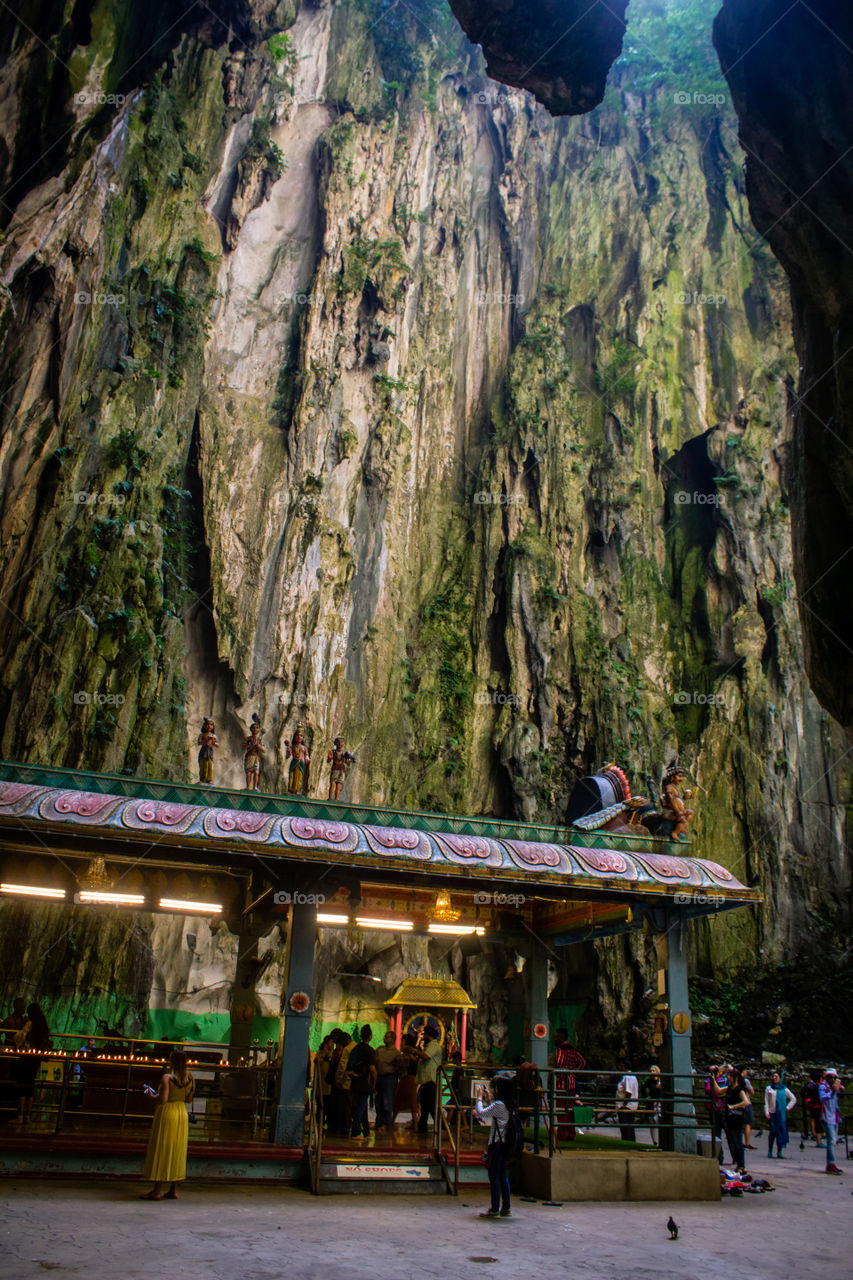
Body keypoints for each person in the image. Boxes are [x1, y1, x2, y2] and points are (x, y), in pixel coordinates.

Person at [141, 1049, 194, 1199]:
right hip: (181, 1113)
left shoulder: (167, 1078)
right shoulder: (190, 1078)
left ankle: (156, 1190)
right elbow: (189, 1099)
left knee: (162, 1147)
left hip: (168, 1112)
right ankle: (173, 1189)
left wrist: (150, 1094)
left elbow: (162, 1099)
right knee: (177, 1148)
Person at [475, 1076, 515, 1219]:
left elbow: (481, 1113)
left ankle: (494, 1208)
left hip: (497, 1144)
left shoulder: (499, 1105)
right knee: (502, 1175)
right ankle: (506, 1207)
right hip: (505, 1144)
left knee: (494, 1176)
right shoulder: (509, 1104)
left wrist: (479, 1098)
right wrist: (489, 1099)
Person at [13, 1003, 51, 1123]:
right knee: (30, 1086)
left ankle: (19, 1116)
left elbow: (19, 1037)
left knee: (22, 1085)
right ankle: (28, 1116)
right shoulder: (44, 1027)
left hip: (27, 1057)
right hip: (37, 1058)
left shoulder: (30, 1024)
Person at [554, 1028, 585, 1140]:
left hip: (561, 1083)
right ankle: (571, 1133)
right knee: (570, 1109)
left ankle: (562, 1134)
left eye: (557, 1036)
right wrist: (574, 1072)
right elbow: (582, 1062)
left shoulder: (560, 1050)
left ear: (561, 1037)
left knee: (561, 1109)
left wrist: (558, 1074)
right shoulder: (574, 1050)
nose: (555, 1038)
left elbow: (559, 1063)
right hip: (571, 1083)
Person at [347, 1026, 376, 1140]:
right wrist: (374, 1083)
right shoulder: (370, 1050)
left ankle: (366, 1131)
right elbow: (372, 1069)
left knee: (362, 1107)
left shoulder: (356, 1048)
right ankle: (355, 1132)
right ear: (370, 1036)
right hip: (365, 1082)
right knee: (360, 1107)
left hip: (354, 1080)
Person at [373, 1031, 405, 1134]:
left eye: (387, 1037)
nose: (385, 1038)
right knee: (378, 1102)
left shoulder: (396, 1053)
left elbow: (400, 1068)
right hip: (379, 1077)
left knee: (387, 1102)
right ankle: (378, 1123)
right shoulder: (379, 1050)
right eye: (385, 1036)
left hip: (389, 1078)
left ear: (393, 1039)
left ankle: (386, 1124)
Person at [415, 1025, 443, 1134]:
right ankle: (422, 1127)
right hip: (426, 1080)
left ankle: (441, 1126)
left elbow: (426, 1056)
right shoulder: (429, 1046)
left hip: (431, 1080)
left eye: (424, 1034)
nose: (423, 1036)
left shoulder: (433, 1046)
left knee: (430, 1105)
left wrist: (415, 1051)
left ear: (429, 1035)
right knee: (425, 1106)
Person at [723, 1067, 751, 1172]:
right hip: (730, 1117)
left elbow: (746, 1102)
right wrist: (712, 1077)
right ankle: (739, 1164)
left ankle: (741, 1165)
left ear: (734, 1077)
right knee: (734, 1141)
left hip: (737, 1118)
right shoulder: (729, 1088)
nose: (728, 1077)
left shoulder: (739, 1090)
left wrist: (734, 1106)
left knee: (738, 1141)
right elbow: (719, 1090)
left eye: (730, 1076)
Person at [764, 1069, 796, 1158]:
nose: (774, 1078)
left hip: (780, 1113)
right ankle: (770, 1149)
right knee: (773, 1131)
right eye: (773, 1076)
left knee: (780, 1130)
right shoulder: (769, 1088)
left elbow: (793, 1099)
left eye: (776, 1077)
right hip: (771, 1112)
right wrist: (766, 1112)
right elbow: (766, 1101)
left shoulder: (784, 1089)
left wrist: (787, 1108)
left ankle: (779, 1150)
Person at [391, 1034, 420, 1131]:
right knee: (412, 1101)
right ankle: (415, 1123)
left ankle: (392, 1121)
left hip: (407, 1078)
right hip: (412, 1079)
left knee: (399, 1099)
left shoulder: (407, 1056)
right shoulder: (414, 1055)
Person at [819, 1068, 845, 1175]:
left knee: (833, 1141)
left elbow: (839, 1094)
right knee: (831, 1140)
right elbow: (822, 1098)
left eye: (834, 1078)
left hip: (834, 1116)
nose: (832, 1079)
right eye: (830, 1077)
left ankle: (831, 1164)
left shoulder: (833, 1085)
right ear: (826, 1077)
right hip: (826, 1115)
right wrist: (832, 1092)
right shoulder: (822, 1086)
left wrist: (840, 1089)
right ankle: (831, 1163)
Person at [616, 1060, 639, 1141]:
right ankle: (629, 1140)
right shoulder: (631, 1076)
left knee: (626, 1127)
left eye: (621, 1066)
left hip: (627, 1106)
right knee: (628, 1126)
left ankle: (627, 1140)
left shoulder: (627, 1076)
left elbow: (628, 1092)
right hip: (629, 1105)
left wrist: (623, 1105)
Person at [326, 737, 355, 801]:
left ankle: (336, 798)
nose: (340, 744)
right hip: (335, 769)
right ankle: (330, 797)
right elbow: (328, 761)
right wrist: (330, 758)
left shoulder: (345, 753)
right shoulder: (333, 752)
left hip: (342, 769)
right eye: (338, 742)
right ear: (335, 743)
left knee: (339, 784)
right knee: (333, 783)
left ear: (343, 743)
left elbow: (347, 762)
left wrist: (348, 762)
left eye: (341, 742)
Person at [285, 725, 310, 794]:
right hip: (294, 762)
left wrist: (307, 759)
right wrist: (288, 752)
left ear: (303, 738)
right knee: (292, 776)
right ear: (294, 737)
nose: (299, 737)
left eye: (301, 736)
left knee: (298, 777)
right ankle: (290, 789)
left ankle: (296, 790)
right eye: (297, 735)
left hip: (301, 763)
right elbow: (287, 756)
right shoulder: (292, 747)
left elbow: (306, 755)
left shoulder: (304, 748)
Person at [641, 1064, 662, 1146]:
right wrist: (645, 1098)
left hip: (659, 1103)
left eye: (654, 1071)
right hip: (651, 1102)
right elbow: (643, 1088)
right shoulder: (649, 1081)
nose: (652, 1072)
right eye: (651, 1071)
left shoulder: (660, 1080)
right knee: (652, 1122)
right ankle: (654, 1140)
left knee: (659, 1121)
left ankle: (660, 1140)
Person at [242, 714, 264, 791]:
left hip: (256, 757)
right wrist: (250, 745)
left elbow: (263, 749)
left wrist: (257, 745)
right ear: (251, 729)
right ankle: (248, 787)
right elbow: (244, 746)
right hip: (249, 756)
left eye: (257, 728)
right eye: (253, 728)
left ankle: (254, 787)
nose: (255, 729)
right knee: (248, 772)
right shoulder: (248, 738)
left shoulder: (259, 740)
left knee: (256, 772)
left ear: (258, 730)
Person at [803, 1068, 824, 1143]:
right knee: (818, 1120)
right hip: (817, 1105)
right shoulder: (819, 1086)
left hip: (811, 1104)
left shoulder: (810, 1085)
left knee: (812, 1119)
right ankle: (818, 1135)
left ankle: (813, 1132)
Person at [738, 1064, 756, 1149]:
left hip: (737, 1103)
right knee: (748, 1124)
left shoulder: (734, 1080)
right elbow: (752, 1092)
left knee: (739, 1124)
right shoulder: (746, 1081)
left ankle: (738, 1141)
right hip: (746, 1103)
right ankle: (747, 1143)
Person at [197, 718, 219, 784]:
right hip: (203, 751)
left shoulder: (213, 736)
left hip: (209, 752)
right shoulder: (202, 735)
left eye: (211, 725)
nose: (209, 726)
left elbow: (217, 744)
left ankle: (209, 779)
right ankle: (202, 778)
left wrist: (213, 742)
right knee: (203, 764)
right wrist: (205, 741)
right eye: (207, 725)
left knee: (209, 765)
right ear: (204, 726)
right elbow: (199, 743)